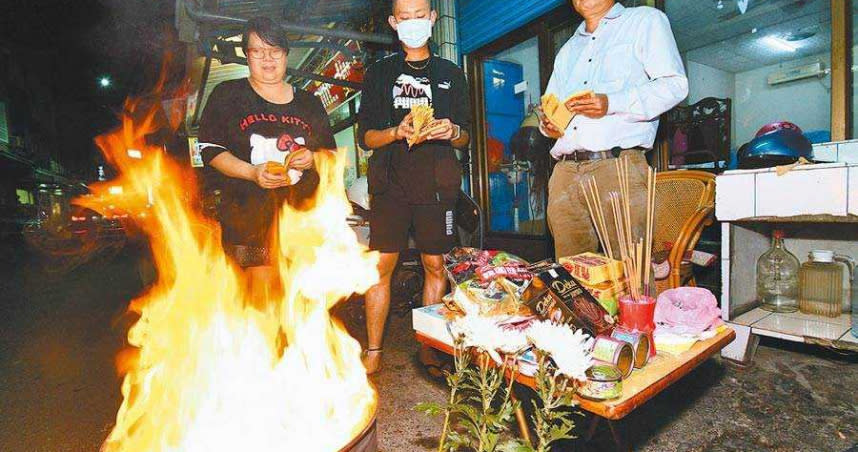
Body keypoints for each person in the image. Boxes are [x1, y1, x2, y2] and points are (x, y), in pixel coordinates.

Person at [357, 0, 471, 374]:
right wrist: (395, 131)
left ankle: (428, 346)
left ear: (433, 19)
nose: (412, 22)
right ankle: (374, 349)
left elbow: (465, 137)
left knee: (435, 264)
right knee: (381, 266)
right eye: (404, 17)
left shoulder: (451, 73)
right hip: (390, 185)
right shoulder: (378, 74)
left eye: (419, 15)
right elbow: (366, 138)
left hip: (437, 185)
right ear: (393, 22)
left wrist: (452, 130)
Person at [198, 17, 336, 296]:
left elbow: (331, 154)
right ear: (246, 56)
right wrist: (251, 172)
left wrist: (312, 158)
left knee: (303, 298)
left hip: (302, 219)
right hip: (249, 219)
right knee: (259, 300)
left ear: (285, 54)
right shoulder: (228, 95)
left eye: (275, 51)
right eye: (257, 51)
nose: (267, 59)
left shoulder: (309, 102)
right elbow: (210, 150)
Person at [539, 0, 687, 259]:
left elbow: (674, 86)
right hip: (564, 172)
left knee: (631, 273)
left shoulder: (644, 21)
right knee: (572, 279)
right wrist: (549, 125)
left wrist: (611, 103)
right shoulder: (568, 50)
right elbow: (553, 109)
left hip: (617, 168)